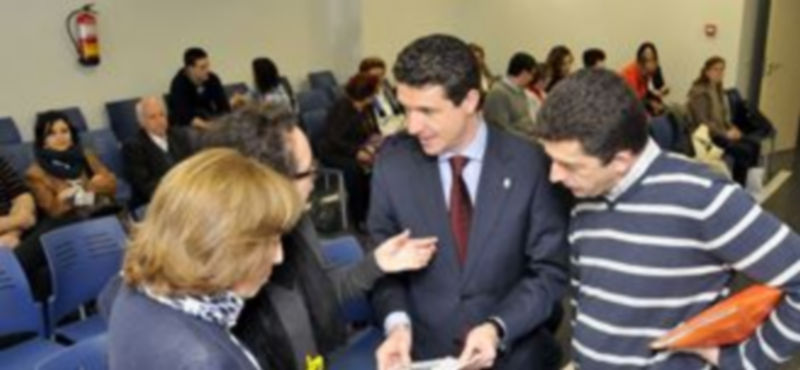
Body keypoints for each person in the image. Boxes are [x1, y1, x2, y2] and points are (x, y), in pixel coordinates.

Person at [534, 68, 800, 369]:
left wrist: (742, 360)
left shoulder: (703, 198)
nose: (554, 176)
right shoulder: (585, 197)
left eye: (569, 165)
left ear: (620, 160)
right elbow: (585, 297)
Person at [371, 34, 568, 370]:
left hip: (516, 353)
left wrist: (497, 327)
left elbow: (548, 271)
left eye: (427, 110)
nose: (412, 125)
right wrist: (397, 326)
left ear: (470, 101)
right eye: (406, 109)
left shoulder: (529, 164)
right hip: (425, 354)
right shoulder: (393, 166)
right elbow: (381, 267)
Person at [200, 104, 438, 370]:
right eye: (308, 170)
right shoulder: (218, 293)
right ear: (272, 184)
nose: (315, 178)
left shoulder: (297, 223)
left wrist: (377, 264)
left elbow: (320, 296)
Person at [106, 148, 301, 370]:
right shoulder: (207, 361)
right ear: (224, 245)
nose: (279, 257)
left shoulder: (133, 290)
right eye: (271, 241)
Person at [318, 73, 383, 228]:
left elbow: (372, 129)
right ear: (366, 93)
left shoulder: (367, 107)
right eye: (374, 91)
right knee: (356, 170)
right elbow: (334, 140)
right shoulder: (341, 108)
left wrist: (375, 140)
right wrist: (357, 152)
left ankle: (374, 208)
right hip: (333, 151)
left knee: (380, 162)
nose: (377, 93)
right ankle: (359, 216)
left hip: (354, 146)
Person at [26, 111, 116, 219]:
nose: (60, 137)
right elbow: (53, 211)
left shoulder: (87, 155)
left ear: (71, 135)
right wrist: (93, 187)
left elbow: (111, 186)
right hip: (68, 223)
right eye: (51, 133)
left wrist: (74, 194)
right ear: (43, 142)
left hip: (99, 212)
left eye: (64, 131)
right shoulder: (35, 174)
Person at [688, 56, 759, 184]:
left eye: (722, 70)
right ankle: (738, 188)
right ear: (707, 72)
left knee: (754, 145)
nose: (720, 73)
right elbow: (702, 122)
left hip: (720, 132)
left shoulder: (717, 89)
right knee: (744, 151)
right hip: (709, 137)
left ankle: (751, 185)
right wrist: (725, 134)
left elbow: (722, 116)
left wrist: (731, 127)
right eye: (716, 69)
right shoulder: (699, 92)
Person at [122, 96, 193, 207]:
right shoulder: (133, 147)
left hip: (186, 196)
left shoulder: (179, 136)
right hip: (154, 203)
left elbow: (192, 167)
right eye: (152, 117)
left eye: (162, 115)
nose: (160, 121)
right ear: (142, 122)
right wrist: (176, 195)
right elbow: (145, 186)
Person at [168, 47, 232, 129]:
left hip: (209, 116)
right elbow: (183, 115)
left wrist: (225, 122)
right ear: (190, 69)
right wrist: (208, 126)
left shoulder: (212, 79)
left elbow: (223, 106)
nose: (207, 70)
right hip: (190, 124)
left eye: (207, 66)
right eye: (202, 67)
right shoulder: (179, 84)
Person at [483, 52, 538, 140]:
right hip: (514, 143)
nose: (532, 79)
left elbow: (526, 122)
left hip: (526, 139)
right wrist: (530, 139)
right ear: (524, 73)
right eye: (532, 74)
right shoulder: (498, 93)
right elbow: (501, 129)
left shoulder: (520, 91)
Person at [620, 42, 670, 115]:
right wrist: (651, 104)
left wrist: (656, 96)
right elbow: (633, 101)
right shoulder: (629, 74)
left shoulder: (647, 74)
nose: (650, 65)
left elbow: (643, 94)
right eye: (647, 60)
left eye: (653, 60)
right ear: (639, 62)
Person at [359, 57, 404, 131]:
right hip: (380, 131)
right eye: (375, 76)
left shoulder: (390, 90)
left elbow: (400, 111)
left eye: (382, 75)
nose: (379, 79)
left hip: (398, 125)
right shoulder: (362, 97)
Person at [0, 157, 36, 249]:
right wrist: (20, 220)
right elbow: (26, 220)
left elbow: (21, 194)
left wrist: (13, 234)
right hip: (16, 224)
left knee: (63, 219)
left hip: (16, 234)